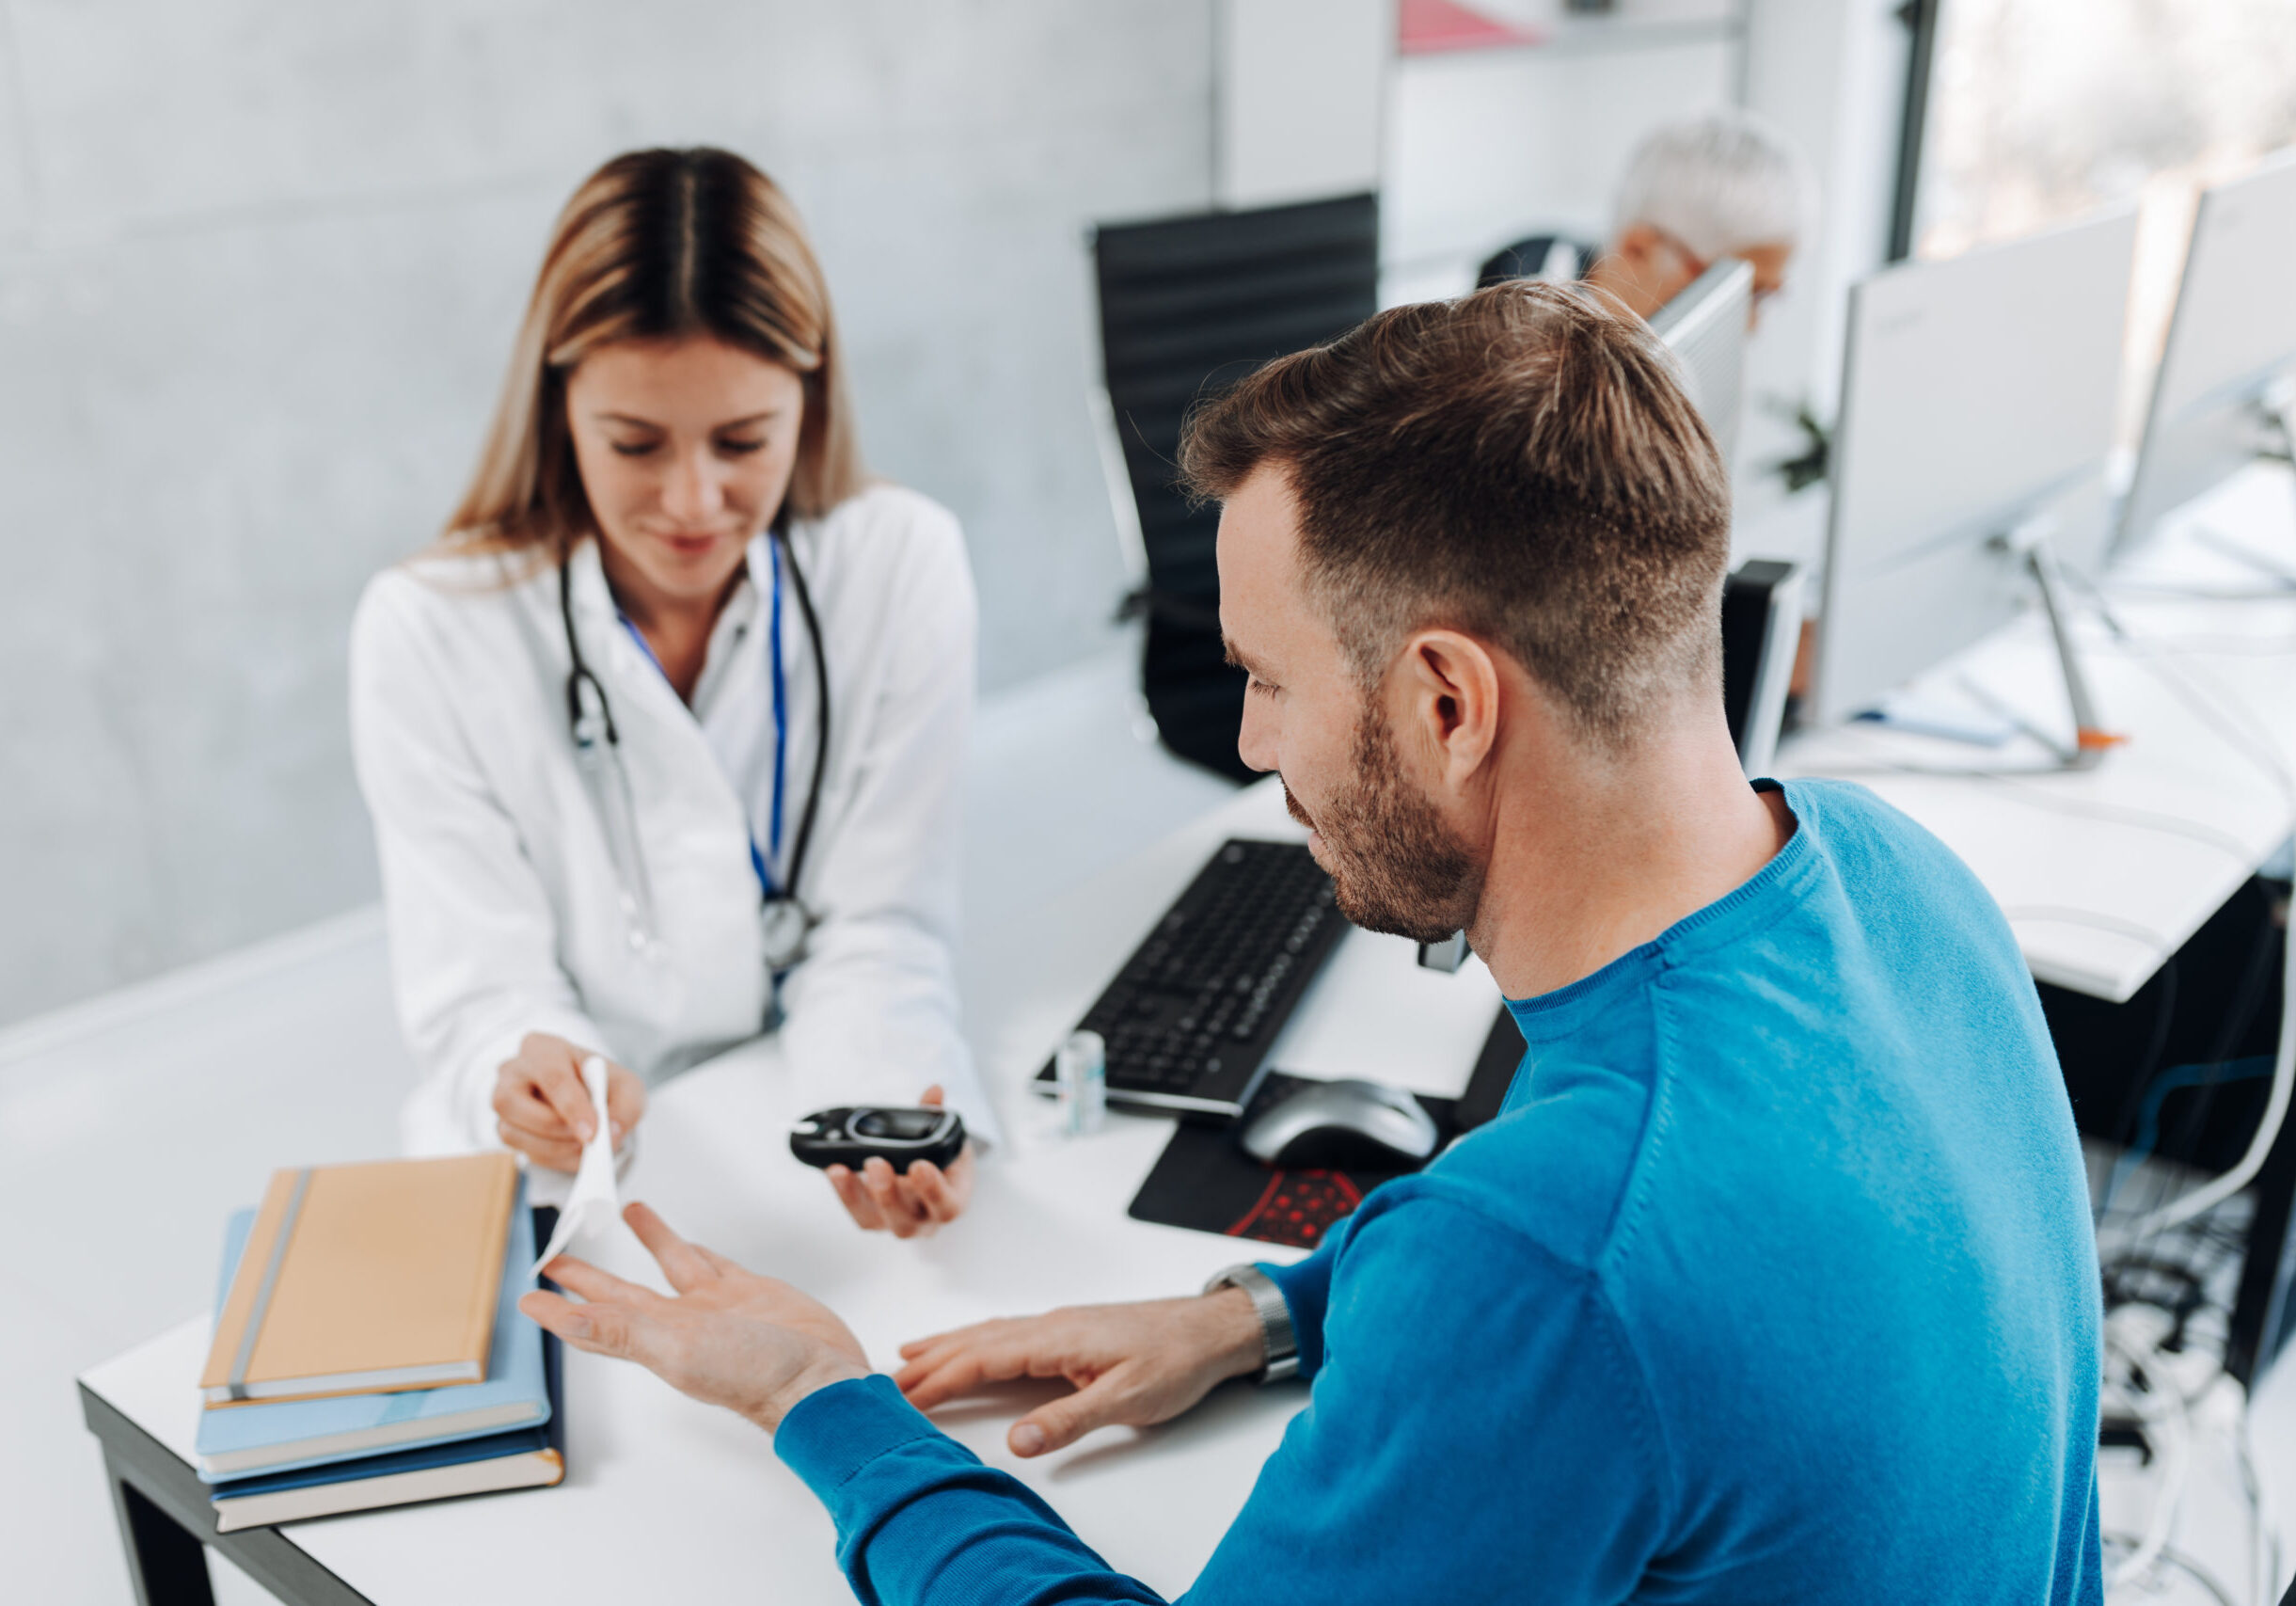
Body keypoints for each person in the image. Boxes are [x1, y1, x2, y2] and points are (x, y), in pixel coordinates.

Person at [519, 282, 2105, 1601]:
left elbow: (1569, 1273)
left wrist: (823, 1395)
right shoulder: (1901, 876)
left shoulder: (1538, 1258)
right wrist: (1263, 1311)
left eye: (1268, 680)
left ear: (1443, 702)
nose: (1260, 748)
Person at [350, 148, 995, 1237]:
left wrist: (886, 1116)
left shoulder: (900, 563)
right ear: (559, 409)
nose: (692, 501)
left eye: (744, 442)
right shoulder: (429, 629)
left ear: (811, 397)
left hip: (785, 1122)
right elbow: (479, 997)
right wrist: (540, 1081)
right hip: (568, 1186)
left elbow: (880, 927)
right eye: (634, 444)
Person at [1479, 106, 1813, 326]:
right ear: (1639, 248)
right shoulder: (1521, 344)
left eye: (1764, 297)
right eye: (1741, 293)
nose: (1752, 325)